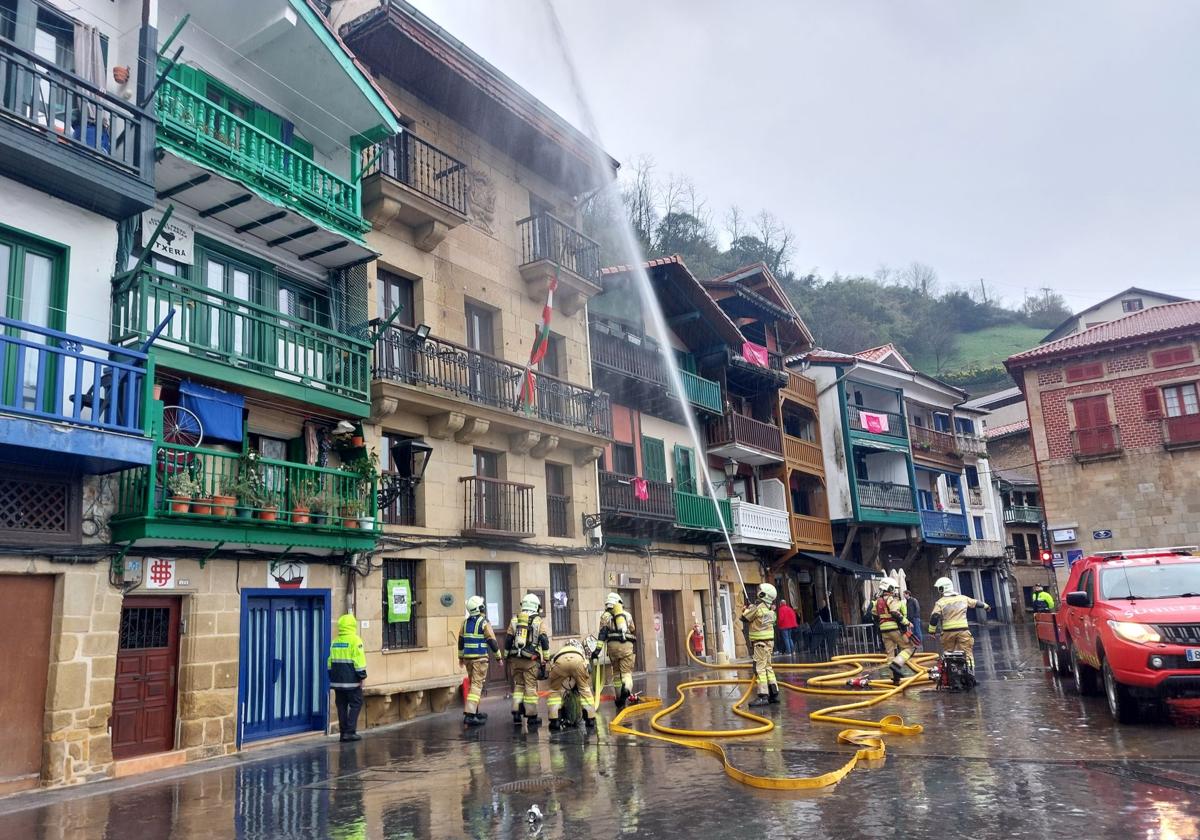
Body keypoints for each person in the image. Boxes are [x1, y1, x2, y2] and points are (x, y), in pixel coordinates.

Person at [504, 593, 549, 727]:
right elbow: (544, 640)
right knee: (530, 687)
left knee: (519, 685)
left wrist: (506, 656)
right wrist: (546, 658)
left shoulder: (514, 620)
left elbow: (508, 640)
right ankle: (532, 716)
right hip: (530, 660)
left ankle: (516, 713)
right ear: (536, 606)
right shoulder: (538, 621)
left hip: (515, 659)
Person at [928, 576, 990, 670]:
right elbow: (976, 603)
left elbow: (934, 616)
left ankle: (951, 671)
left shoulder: (940, 602)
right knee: (967, 652)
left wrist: (931, 631)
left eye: (939, 588)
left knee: (948, 653)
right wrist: (986, 606)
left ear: (942, 589)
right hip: (963, 631)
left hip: (948, 633)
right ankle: (970, 673)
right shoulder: (963, 598)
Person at [458, 595, 499, 727]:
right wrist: (498, 657)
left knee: (473, 685)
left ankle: (474, 713)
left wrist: (460, 658)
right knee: (477, 686)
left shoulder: (465, 623)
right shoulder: (483, 622)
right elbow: (492, 641)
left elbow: (460, 641)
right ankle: (470, 715)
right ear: (479, 608)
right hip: (479, 660)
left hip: (468, 659)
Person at [594, 592, 637, 710]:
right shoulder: (627, 615)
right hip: (627, 646)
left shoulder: (605, 616)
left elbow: (602, 634)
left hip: (613, 648)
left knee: (617, 673)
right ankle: (627, 689)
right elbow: (632, 629)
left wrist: (597, 651)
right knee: (626, 672)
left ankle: (619, 699)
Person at [328, 613, 367, 742]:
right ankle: (350, 732)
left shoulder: (335, 642)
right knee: (356, 703)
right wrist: (362, 676)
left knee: (341, 706)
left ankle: (343, 732)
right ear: (352, 625)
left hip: (337, 681)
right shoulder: (356, 641)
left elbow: (329, 662)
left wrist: (332, 677)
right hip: (352, 682)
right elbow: (359, 661)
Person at [871, 578, 915, 685]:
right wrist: (907, 622)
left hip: (884, 631)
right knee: (909, 647)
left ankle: (895, 679)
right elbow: (894, 612)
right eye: (894, 588)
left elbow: (874, 615)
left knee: (890, 654)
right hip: (894, 629)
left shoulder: (877, 601)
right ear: (889, 587)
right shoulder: (892, 599)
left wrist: (882, 624)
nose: (894, 590)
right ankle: (897, 664)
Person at [742, 583, 780, 707]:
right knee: (768, 666)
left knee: (759, 668)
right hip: (769, 643)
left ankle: (763, 696)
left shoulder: (757, 608)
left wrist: (746, 609)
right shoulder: (771, 610)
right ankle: (774, 694)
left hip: (759, 644)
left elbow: (744, 618)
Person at [547, 639, 597, 732]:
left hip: (560, 663)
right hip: (578, 662)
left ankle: (555, 720)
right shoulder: (580, 652)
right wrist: (581, 680)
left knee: (554, 690)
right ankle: (590, 719)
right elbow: (589, 670)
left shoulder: (561, 650)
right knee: (584, 689)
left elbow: (550, 663)